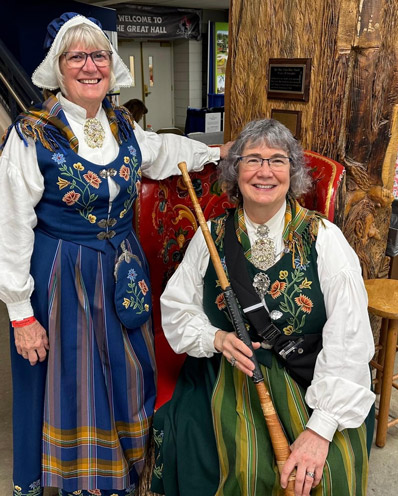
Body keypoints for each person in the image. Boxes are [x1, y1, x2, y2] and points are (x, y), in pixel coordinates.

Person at [0, 12, 231, 496]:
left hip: (123, 272)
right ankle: (75, 483)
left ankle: (127, 474)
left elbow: (160, 150)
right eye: (77, 56)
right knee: (71, 383)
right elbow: (12, 225)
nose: (90, 66)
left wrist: (216, 152)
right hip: (61, 277)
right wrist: (21, 313)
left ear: (112, 64)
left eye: (99, 55)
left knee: (126, 373)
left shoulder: (122, 123)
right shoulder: (32, 133)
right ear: (57, 68)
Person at [150, 118, 376, 496]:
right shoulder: (211, 236)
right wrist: (218, 338)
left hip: (308, 373)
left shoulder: (325, 240)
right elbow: (177, 309)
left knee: (330, 472)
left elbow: (349, 338)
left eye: (277, 160)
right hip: (226, 373)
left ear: (294, 172)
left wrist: (320, 431)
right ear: (235, 171)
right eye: (252, 159)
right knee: (242, 467)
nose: (265, 172)